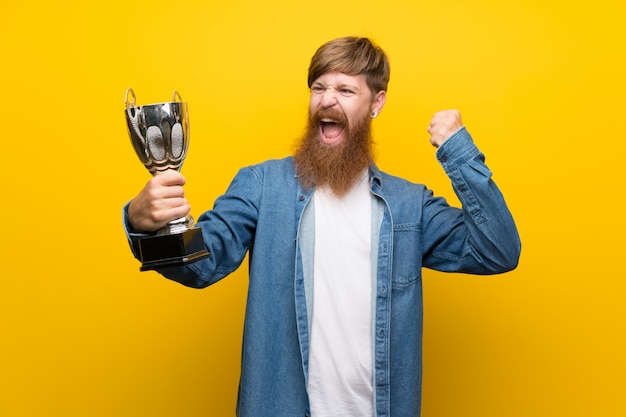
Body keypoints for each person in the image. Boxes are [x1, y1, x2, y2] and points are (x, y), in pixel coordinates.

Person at [123, 36, 521, 417]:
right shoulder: (263, 186)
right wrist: (147, 226)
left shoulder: (408, 205)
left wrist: (458, 150)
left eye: (346, 91)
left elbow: (498, 250)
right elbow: (200, 267)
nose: (327, 99)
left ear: (376, 102)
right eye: (319, 87)